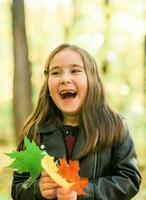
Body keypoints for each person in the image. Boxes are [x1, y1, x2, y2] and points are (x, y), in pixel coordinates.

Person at [11, 43, 141, 200]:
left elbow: (129, 180)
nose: (65, 79)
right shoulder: (34, 131)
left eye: (75, 71)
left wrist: (84, 190)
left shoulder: (115, 127)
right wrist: (38, 190)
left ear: (92, 80)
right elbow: (18, 187)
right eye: (56, 73)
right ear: (48, 86)